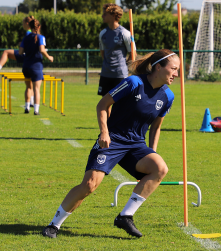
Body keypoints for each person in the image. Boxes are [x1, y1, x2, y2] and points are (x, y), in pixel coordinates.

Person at [41, 49, 179, 239]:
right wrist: (104, 132)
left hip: (137, 145)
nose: (177, 74)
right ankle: (53, 225)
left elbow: (156, 127)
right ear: (158, 67)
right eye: (173, 69)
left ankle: (125, 216)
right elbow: (102, 105)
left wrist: (152, 153)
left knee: (160, 168)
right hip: (112, 140)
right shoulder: (133, 83)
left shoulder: (168, 96)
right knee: (89, 185)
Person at [0, 15, 36, 106]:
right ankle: (32, 101)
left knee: (6, 52)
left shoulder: (28, 32)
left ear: (27, 23)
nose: (22, 25)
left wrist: (22, 44)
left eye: (23, 23)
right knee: (30, 81)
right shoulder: (35, 31)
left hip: (25, 56)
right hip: (32, 58)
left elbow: (29, 44)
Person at [98, 3, 136, 115]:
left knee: (121, 103)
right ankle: (108, 129)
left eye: (105, 14)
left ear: (113, 15)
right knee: (105, 103)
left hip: (120, 74)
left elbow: (132, 53)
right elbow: (102, 53)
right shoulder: (103, 33)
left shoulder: (125, 33)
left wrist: (126, 67)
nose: (102, 16)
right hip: (106, 74)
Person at [19, 18, 53, 115]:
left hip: (26, 66)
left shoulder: (25, 38)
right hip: (36, 66)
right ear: (39, 27)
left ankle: (26, 108)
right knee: (36, 89)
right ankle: (36, 110)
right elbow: (42, 50)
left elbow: (21, 52)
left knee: (28, 88)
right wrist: (49, 57)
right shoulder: (41, 37)